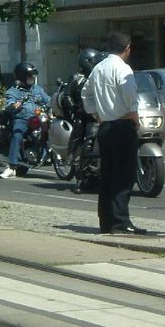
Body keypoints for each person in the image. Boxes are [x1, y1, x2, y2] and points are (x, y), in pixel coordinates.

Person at [81, 31, 146, 235]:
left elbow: (86, 93)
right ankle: (120, 222)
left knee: (108, 175)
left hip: (106, 126)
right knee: (124, 176)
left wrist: (96, 114)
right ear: (127, 48)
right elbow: (129, 93)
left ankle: (106, 221)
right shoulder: (122, 68)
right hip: (122, 124)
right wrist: (134, 113)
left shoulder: (98, 68)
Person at [0, 62, 50, 179]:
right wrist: (14, 105)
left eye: (33, 75)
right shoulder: (13, 91)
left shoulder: (38, 89)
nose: (33, 78)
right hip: (22, 119)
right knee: (17, 134)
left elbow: (48, 100)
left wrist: (56, 102)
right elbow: (10, 103)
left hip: (39, 118)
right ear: (22, 77)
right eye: (30, 76)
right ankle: (11, 167)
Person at [63, 48, 99, 193]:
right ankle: (79, 176)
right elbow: (67, 96)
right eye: (92, 62)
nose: (95, 64)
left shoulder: (99, 76)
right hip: (84, 116)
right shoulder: (77, 77)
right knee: (87, 141)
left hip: (100, 114)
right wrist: (75, 108)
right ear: (86, 62)